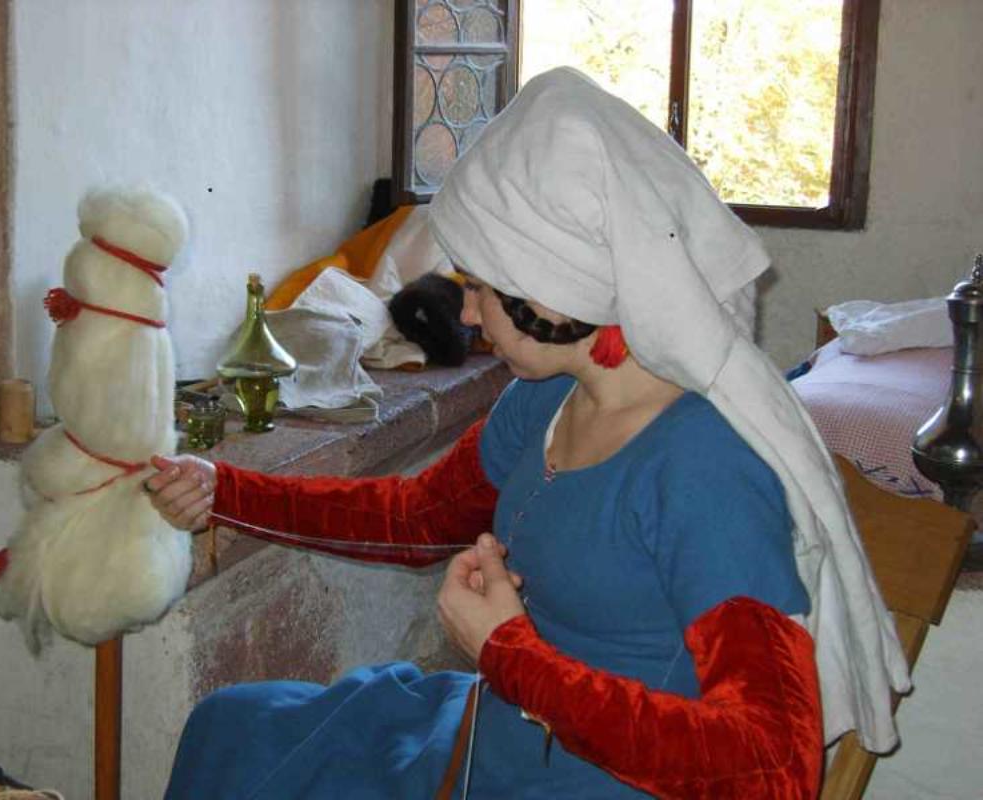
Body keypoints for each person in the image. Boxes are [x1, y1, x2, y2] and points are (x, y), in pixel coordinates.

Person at [149, 68, 907, 799]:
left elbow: (769, 771)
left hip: (594, 778)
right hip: (499, 736)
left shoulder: (704, 468)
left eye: (479, 287)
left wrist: (508, 653)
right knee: (233, 728)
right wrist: (226, 489)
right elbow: (417, 518)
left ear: (554, 290)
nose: (467, 314)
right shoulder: (545, 398)